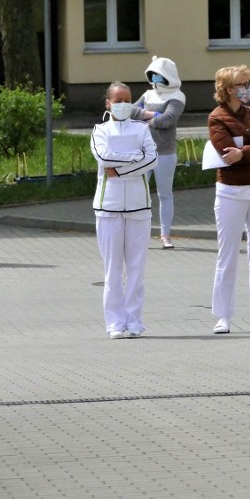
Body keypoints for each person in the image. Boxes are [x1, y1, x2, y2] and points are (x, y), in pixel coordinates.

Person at [208, 65, 250, 334]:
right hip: (231, 192)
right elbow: (226, 152)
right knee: (228, 255)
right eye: (241, 83)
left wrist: (246, 152)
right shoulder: (217, 118)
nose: (247, 87)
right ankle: (223, 316)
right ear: (227, 89)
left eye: (248, 82)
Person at [91, 82, 158, 339]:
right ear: (108, 103)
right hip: (108, 207)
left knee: (136, 268)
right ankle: (115, 323)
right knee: (113, 269)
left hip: (140, 207)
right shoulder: (100, 130)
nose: (123, 104)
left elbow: (151, 159)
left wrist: (120, 169)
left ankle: (134, 321)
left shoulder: (142, 129)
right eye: (118, 100)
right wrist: (134, 158)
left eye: (127, 99)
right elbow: (103, 158)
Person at [133, 55, 185, 249]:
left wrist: (145, 120)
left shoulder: (178, 96)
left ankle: (165, 234)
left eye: (159, 75)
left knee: (165, 194)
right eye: (152, 75)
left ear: (168, 76)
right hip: (143, 152)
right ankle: (139, 233)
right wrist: (153, 115)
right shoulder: (147, 95)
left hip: (165, 152)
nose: (155, 79)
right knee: (138, 194)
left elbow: (168, 120)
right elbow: (130, 111)